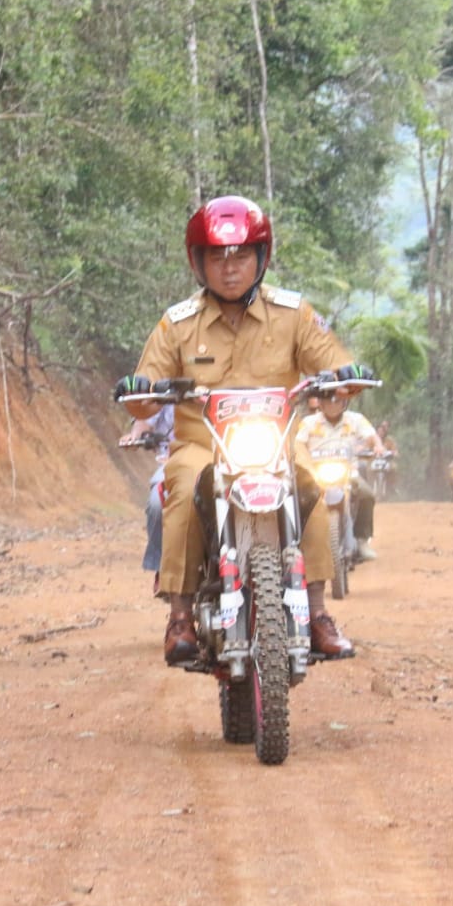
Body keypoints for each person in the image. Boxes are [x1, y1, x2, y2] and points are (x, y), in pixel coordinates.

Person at [113, 194, 370, 665]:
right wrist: (141, 391)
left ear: (261, 257)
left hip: (278, 442)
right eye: (217, 257)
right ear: (198, 262)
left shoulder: (294, 313)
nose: (230, 269)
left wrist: (344, 375)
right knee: (183, 486)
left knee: (311, 484)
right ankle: (180, 616)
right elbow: (144, 391)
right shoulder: (177, 324)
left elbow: (333, 361)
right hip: (202, 445)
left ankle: (316, 612)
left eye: (241, 256)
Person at [297, 392, 388, 561]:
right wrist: (304, 459)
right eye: (328, 400)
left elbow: (371, 436)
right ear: (320, 403)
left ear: (344, 402)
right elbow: (298, 443)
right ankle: (299, 542)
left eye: (337, 400)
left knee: (367, 495)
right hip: (315, 474)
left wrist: (377, 446)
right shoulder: (308, 423)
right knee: (298, 498)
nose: (332, 404)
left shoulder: (356, 419)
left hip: (348, 472)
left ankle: (361, 540)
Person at [118, 404, 175, 578]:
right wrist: (136, 434)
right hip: (174, 459)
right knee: (158, 502)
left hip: (232, 459)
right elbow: (147, 414)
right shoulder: (167, 390)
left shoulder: (238, 385)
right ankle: (162, 568)